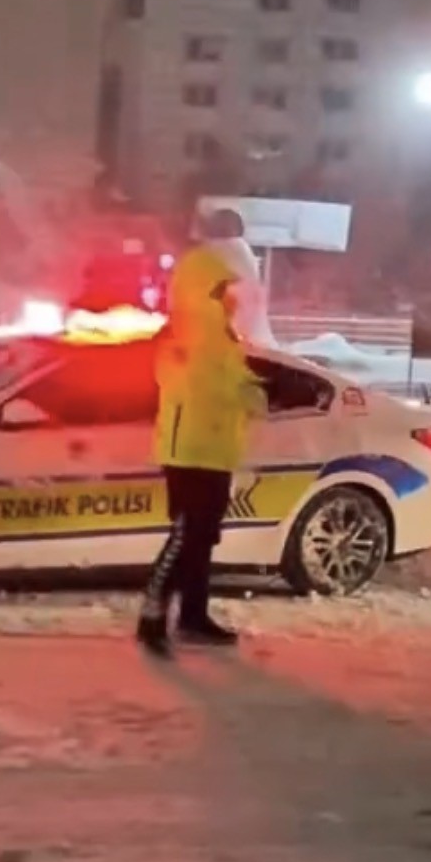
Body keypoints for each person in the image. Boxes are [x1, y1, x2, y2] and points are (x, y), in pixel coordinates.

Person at [137, 209, 266, 656]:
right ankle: (152, 618)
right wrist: (249, 395)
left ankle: (193, 615)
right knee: (185, 535)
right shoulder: (188, 334)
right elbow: (205, 383)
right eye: (228, 291)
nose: (236, 299)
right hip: (189, 446)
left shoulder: (220, 336)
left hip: (215, 448)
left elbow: (230, 376)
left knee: (204, 536)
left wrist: (250, 390)